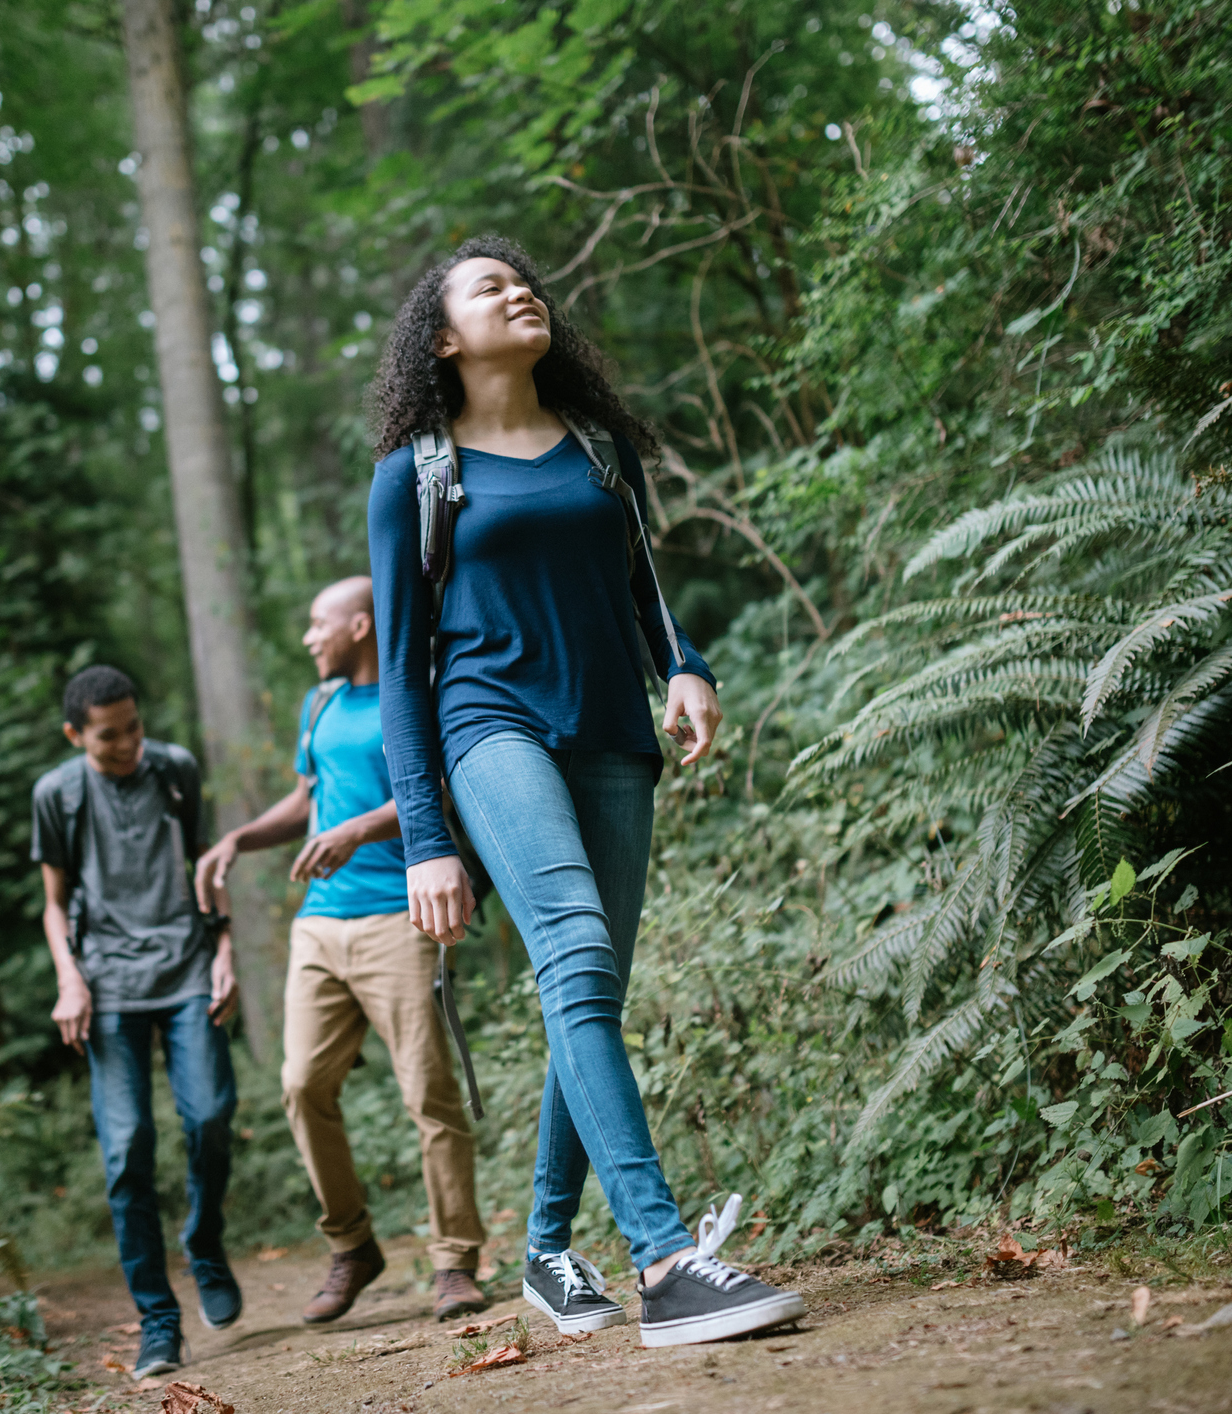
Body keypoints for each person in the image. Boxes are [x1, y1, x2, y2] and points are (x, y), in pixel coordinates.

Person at [365, 235, 807, 1348]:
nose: (519, 290)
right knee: (571, 946)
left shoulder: (602, 450)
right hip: (488, 725)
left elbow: (643, 588)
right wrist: (427, 837)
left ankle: (548, 1250)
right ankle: (664, 1263)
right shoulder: (418, 474)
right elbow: (403, 672)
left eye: (524, 280)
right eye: (486, 287)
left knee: (590, 989)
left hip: (612, 729)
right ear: (445, 338)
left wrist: (688, 666)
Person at [195, 577, 490, 1327]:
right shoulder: (318, 703)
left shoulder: (414, 694)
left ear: (360, 625)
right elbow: (306, 800)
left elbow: (440, 791)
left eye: (316, 624)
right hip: (320, 926)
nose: (307, 637)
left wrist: (356, 829)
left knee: (427, 1090)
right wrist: (239, 838)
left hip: (401, 915)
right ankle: (353, 1245)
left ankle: (455, 1262)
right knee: (300, 1084)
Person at [33, 664, 243, 1380]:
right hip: (107, 987)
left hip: (186, 969)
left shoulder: (175, 770)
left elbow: (205, 869)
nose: (128, 745)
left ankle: (205, 1245)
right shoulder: (57, 795)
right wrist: (69, 979)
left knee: (211, 1115)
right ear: (74, 735)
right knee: (127, 1151)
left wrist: (225, 950)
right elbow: (54, 904)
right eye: (108, 737)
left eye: (134, 728)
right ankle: (158, 1321)